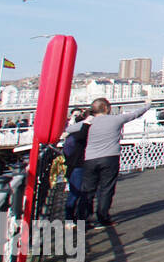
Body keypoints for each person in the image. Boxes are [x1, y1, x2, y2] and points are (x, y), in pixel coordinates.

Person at [65, 96, 152, 227]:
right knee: (106, 189)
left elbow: (68, 129)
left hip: (90, 159)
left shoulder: (89, 122)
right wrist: (147, 105)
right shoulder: (116, 119)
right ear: (106, 108)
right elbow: (135, 114)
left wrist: (85, 121)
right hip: (110, 157)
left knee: (87, 190)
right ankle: (103, 218)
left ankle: (83, 219)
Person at [62, 108, 90, 222]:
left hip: (76, 164)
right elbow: (69, 149)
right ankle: (72, 218)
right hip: (78, 165)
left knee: (79, 192)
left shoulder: (73, 134)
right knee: (77, 192)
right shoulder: (78, 134)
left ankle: (76, 217)